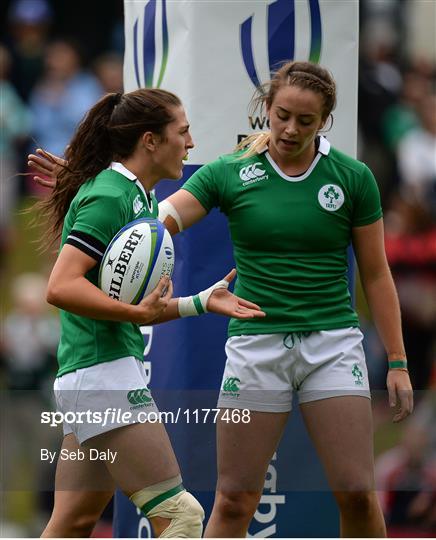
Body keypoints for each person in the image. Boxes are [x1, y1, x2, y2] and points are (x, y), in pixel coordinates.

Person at [29, 61, 414, 537]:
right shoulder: (229, 171)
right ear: (266, 110)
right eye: (282, 115)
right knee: (221, 505)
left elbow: (376, 274)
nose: (290, 129)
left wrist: (397, 359)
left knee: (357, 492)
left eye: (306, 120)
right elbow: (146, 224)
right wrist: (99, 187)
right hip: (248, 349)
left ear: (326, 121)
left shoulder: (352, 178)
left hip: (332, 343)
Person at [28, 88, 264, 538]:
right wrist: (132, 312)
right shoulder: (112, 196)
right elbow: (60, 286)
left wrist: (199, 302)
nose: (191, 143)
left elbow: (135, 310)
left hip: (92, 377)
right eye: (183, 131)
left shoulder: (139, 200)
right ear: (150, 140)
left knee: (72, 523)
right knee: (180, 516)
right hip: (104, 378)